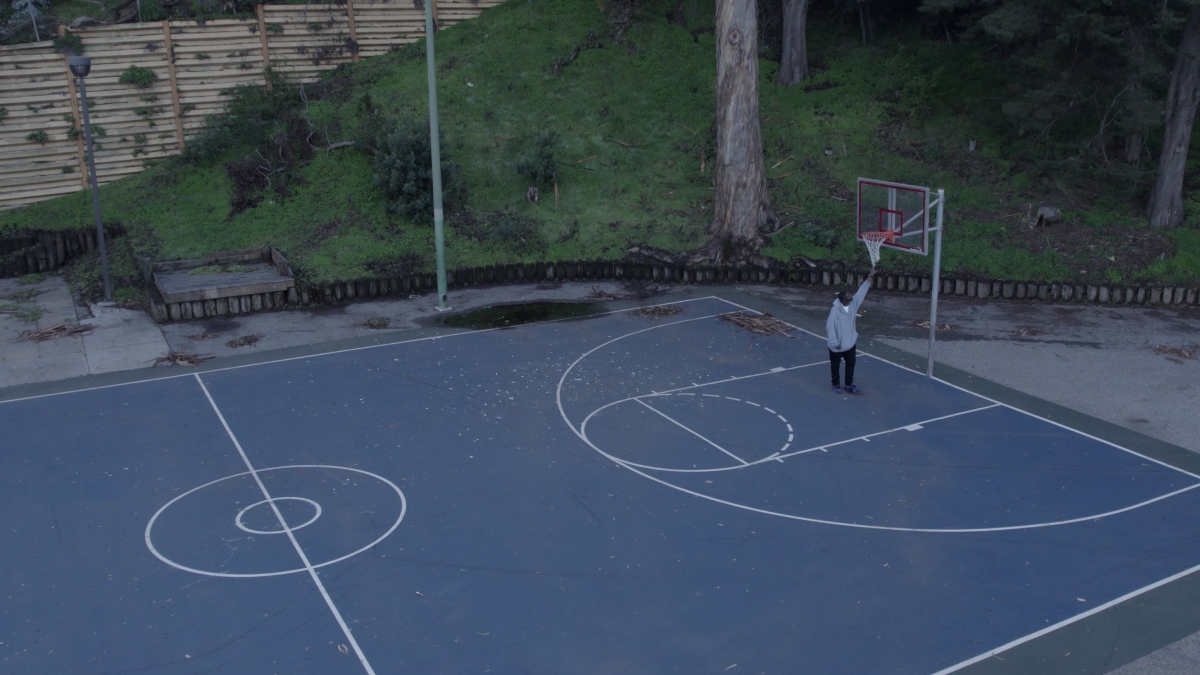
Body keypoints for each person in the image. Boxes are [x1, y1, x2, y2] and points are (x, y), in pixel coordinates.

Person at [826, 268, 876, 394]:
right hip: (837, 346)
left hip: (850, 343)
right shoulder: (835, 311)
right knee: (835, 366)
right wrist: (834, 342)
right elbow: (830, 327)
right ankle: (835, 384)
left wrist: (870, 276)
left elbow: (862, 291)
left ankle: (848, 384)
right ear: (843, 300)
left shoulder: (853, 305)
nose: (851, 295)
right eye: (848, 295)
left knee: (851, 364)